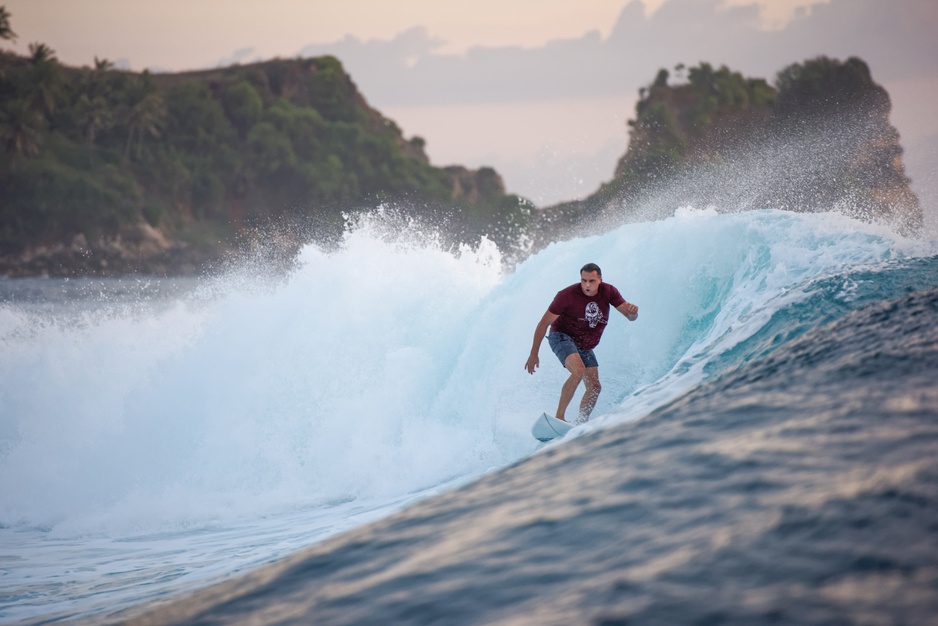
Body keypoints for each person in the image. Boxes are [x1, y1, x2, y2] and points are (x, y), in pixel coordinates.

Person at [524, 263, 638, 424]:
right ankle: (559, 419)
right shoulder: (567, 295)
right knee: (578, 370)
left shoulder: (609, 292)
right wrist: (534, 353)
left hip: (584, 344)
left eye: (591, 281)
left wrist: (634, 313)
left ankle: (581, 422)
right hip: (562, 336)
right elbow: (543, 324)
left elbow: (630, 316)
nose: (587, 285)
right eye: (584, 280)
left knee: (595, 387)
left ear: (600, 280)